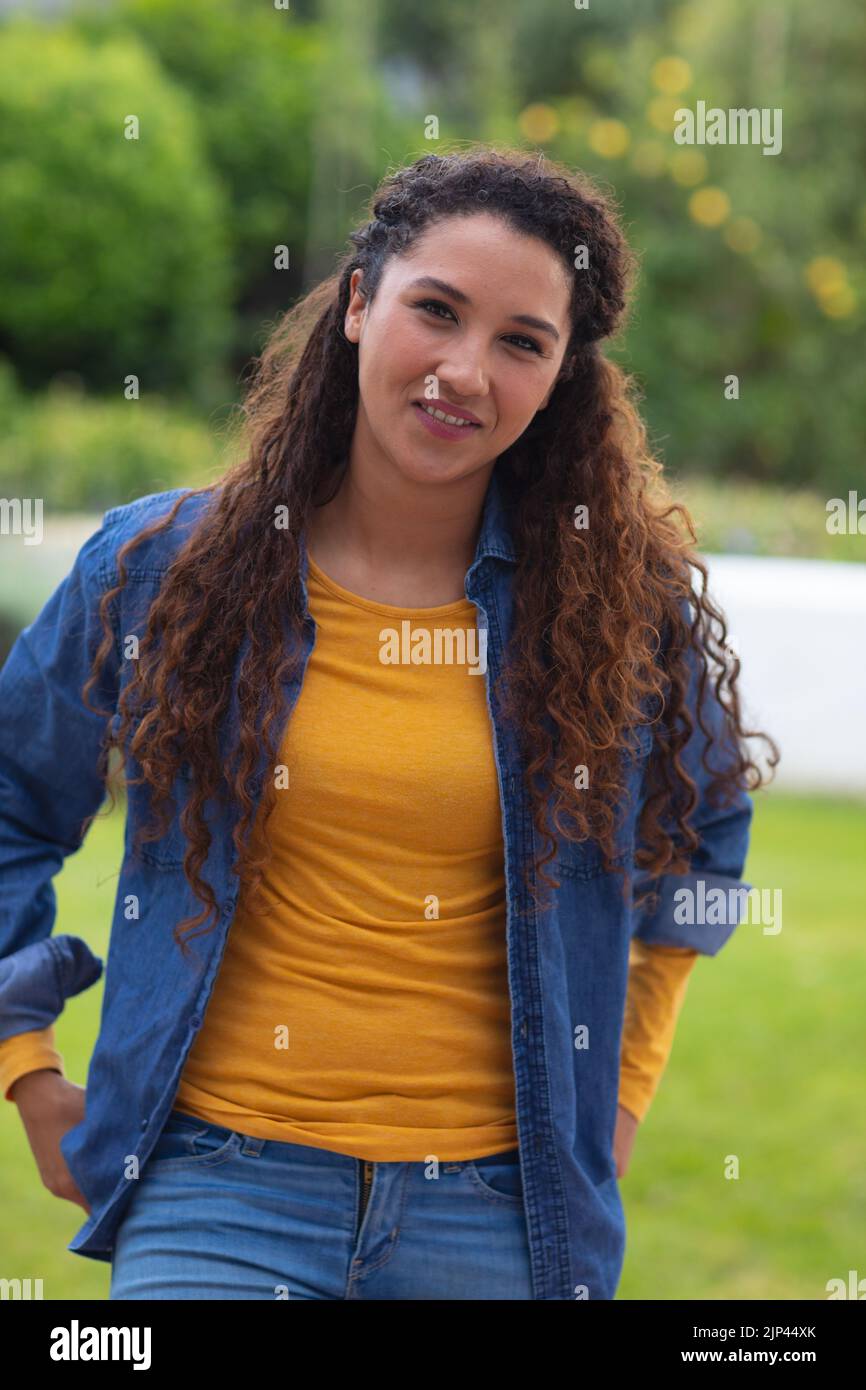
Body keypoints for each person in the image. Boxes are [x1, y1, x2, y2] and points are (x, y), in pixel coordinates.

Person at [0, 145, 777, 1300]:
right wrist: (25, 1063)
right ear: (360, 303)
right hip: (217, 1193)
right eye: (436, 311)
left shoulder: (620, 608)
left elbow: (705, 846)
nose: (464, 370)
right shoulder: (159, 569)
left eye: (521, 341)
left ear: (561, 373)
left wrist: (610, 1107)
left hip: (496, 1223)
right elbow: (16, 796)